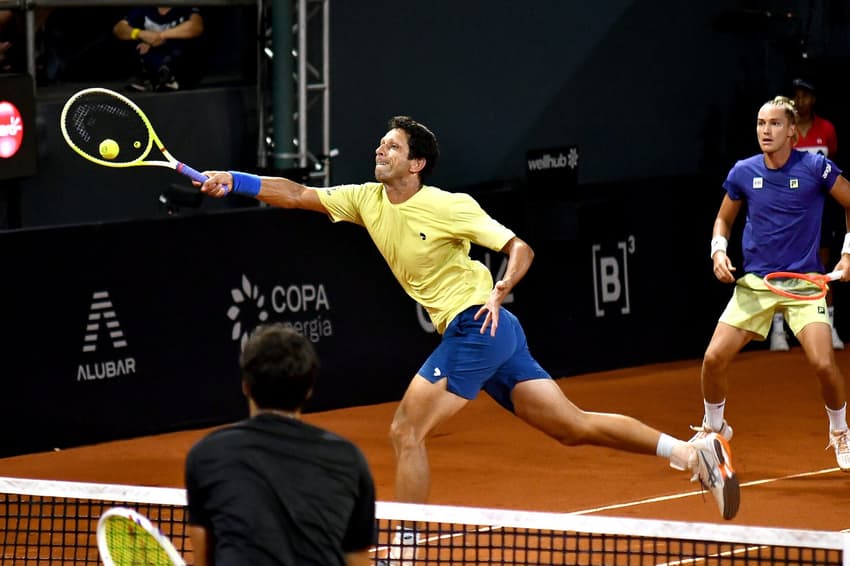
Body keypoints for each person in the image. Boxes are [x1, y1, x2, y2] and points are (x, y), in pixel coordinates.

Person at [197, 116, 741, 527]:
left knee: (406, 430)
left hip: (478, 326)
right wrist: (235, 181)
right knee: (572, 427)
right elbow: (294, 194)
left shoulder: (447, 205)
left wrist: (504, 285)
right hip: (490, 335)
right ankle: (693, 453)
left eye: (393, 146)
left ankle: (405, 546)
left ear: (416, 165)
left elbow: (518, 247)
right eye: (381, 143)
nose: (380, 149)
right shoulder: (365, 199)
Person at [695, 95, 850, 473]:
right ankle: (714, 428)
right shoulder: (743, 172)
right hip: (755, 285)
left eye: (775, 124)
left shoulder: (816, 167)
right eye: (762, 123)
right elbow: (723, 221)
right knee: (713, 358)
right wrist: (718, 251)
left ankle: (840, 431)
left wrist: (847, 255)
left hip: (803, 284)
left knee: (823, 364)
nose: (766, 130)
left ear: (792, 132)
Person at [184, 323, 376, 566]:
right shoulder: (349, 459)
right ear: (309, 390)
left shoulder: (207, 455)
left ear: (245, 386)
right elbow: (356, 560)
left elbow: (204, 560)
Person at [769, 78, 844, 351]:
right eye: (796, 96)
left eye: (805, 96)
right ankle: (778, 331)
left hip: (820, 213)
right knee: (780, 268)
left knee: (821, 269)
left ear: (813, 100)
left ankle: (829, 328)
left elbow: (829, 167)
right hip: (787, 214)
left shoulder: (827, 130)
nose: (800, 101)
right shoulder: (784, 131)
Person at [112, 6, 204, 92]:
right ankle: (151, 77)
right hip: (152, 60)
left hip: (179, 62)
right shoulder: (145, 7)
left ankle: (169, 78)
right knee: (137, 45)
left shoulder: (184, 6)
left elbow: (196, 26)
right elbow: (119, 28)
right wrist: (140, 34)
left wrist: (160, 36)